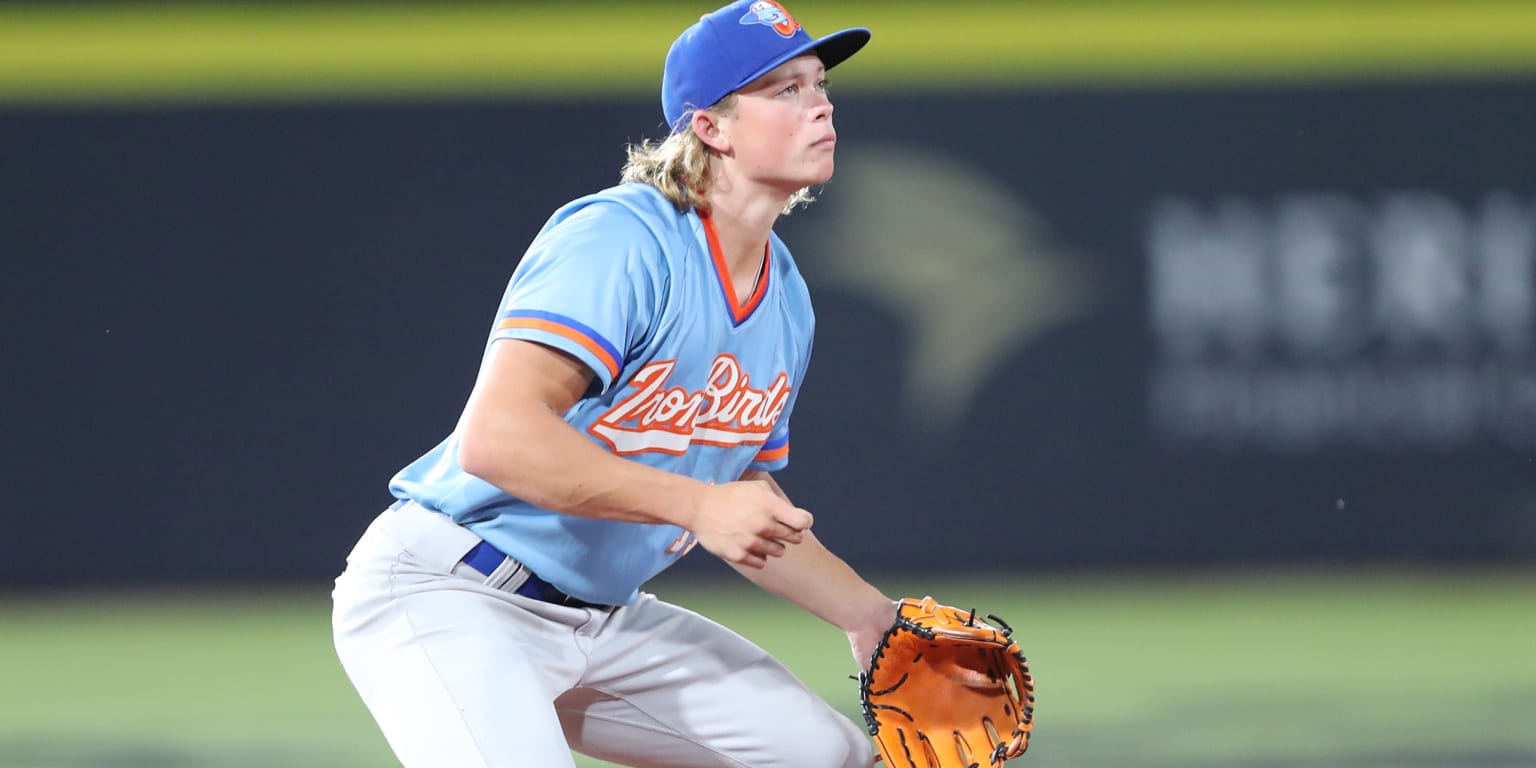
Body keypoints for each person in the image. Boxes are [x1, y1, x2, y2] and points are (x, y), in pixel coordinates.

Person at [331, 2, 895, 766]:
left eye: (819, 84)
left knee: (824, 756)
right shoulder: (622, 238)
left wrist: (872, 617)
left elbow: (745, 512)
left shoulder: (785, 295)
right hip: (453, 591)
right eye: (784, 89)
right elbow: (496, 441)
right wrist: (700, 505)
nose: (820, 103)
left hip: (605, 623)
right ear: (712, 127)